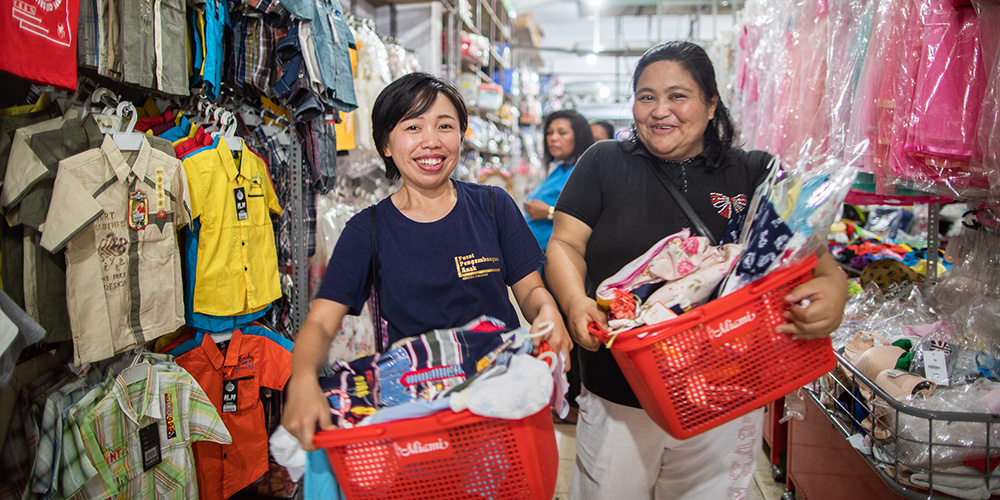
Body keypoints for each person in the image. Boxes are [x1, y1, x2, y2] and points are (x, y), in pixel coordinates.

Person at [545, 41, 849, 499]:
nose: (659, 110)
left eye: (677, 96)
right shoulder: (604, 162)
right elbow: (565, 244)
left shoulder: (756, 172)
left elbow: (821, 266)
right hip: (619, 388)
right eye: (646, 96)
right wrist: (574, 302)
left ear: (710, 105)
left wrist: (832, 294)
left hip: (726, 393)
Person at [283, 72, 572, 452]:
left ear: (461, 135)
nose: (431, 141)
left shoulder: (493, 205)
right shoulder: (366, 229)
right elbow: (321, 321)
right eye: (413, 127)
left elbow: (531, 289)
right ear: (386, 144)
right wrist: (303, 378)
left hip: (500, 400)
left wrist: (548, 311)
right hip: (417, 413)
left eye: (445, 125)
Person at [523, 109, 594, 253]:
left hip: (555, 255)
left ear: (578, 136)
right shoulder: (560, 168)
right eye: (549, 132)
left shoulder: (584, 171)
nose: (553, 138)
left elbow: (589, 218)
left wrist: (548, 212)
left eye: (562, 133)